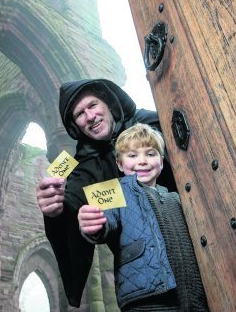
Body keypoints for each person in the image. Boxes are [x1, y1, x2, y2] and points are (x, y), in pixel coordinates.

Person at [36, 79, 177, 307]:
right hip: (143, 281)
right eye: (80, 114)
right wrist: (55, 211)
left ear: (108, 102)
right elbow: (75, 210)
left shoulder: (149, 125)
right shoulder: (85, 168)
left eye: (92, 105)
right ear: (75, 126)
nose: (89, 116)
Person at [78, 123, 208, 311]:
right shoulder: (114, 191)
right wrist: (93, 224)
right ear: (120, 164)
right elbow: (106, 221)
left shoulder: (176, 198)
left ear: (161, 162)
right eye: (132, 155)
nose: (143, 160)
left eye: (150, 153)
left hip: (191, 295)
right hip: (145, 298)